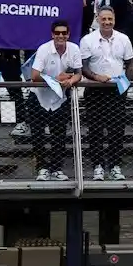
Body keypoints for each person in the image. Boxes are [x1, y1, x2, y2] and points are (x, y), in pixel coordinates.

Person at [80, 6, 133, 182]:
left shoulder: (124, 39)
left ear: (114, 19)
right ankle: (97, 166)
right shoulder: (87, 40)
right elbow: (83, 66)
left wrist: (125, 85)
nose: (107, 22)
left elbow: (131, 64)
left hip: (117, 91)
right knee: (95, 130)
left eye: (110, 19)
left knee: (117, 130)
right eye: (103, 19)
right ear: (98, 19)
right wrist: (96, 77)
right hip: (95, 90)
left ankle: (115, 166)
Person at [28, 19, 82, 182]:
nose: (60, 36)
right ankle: (42, 169)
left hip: (60, 98)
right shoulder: (44, 49)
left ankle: (57, 168)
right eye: (57, 33)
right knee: (38, 135)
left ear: (68, 34)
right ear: (52, 34)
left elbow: (78, 73)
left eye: (64, 33)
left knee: (59, 135)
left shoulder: (74, 49)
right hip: (39, 97)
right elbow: (34, 76)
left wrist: (71, 81)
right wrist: (56, 79)